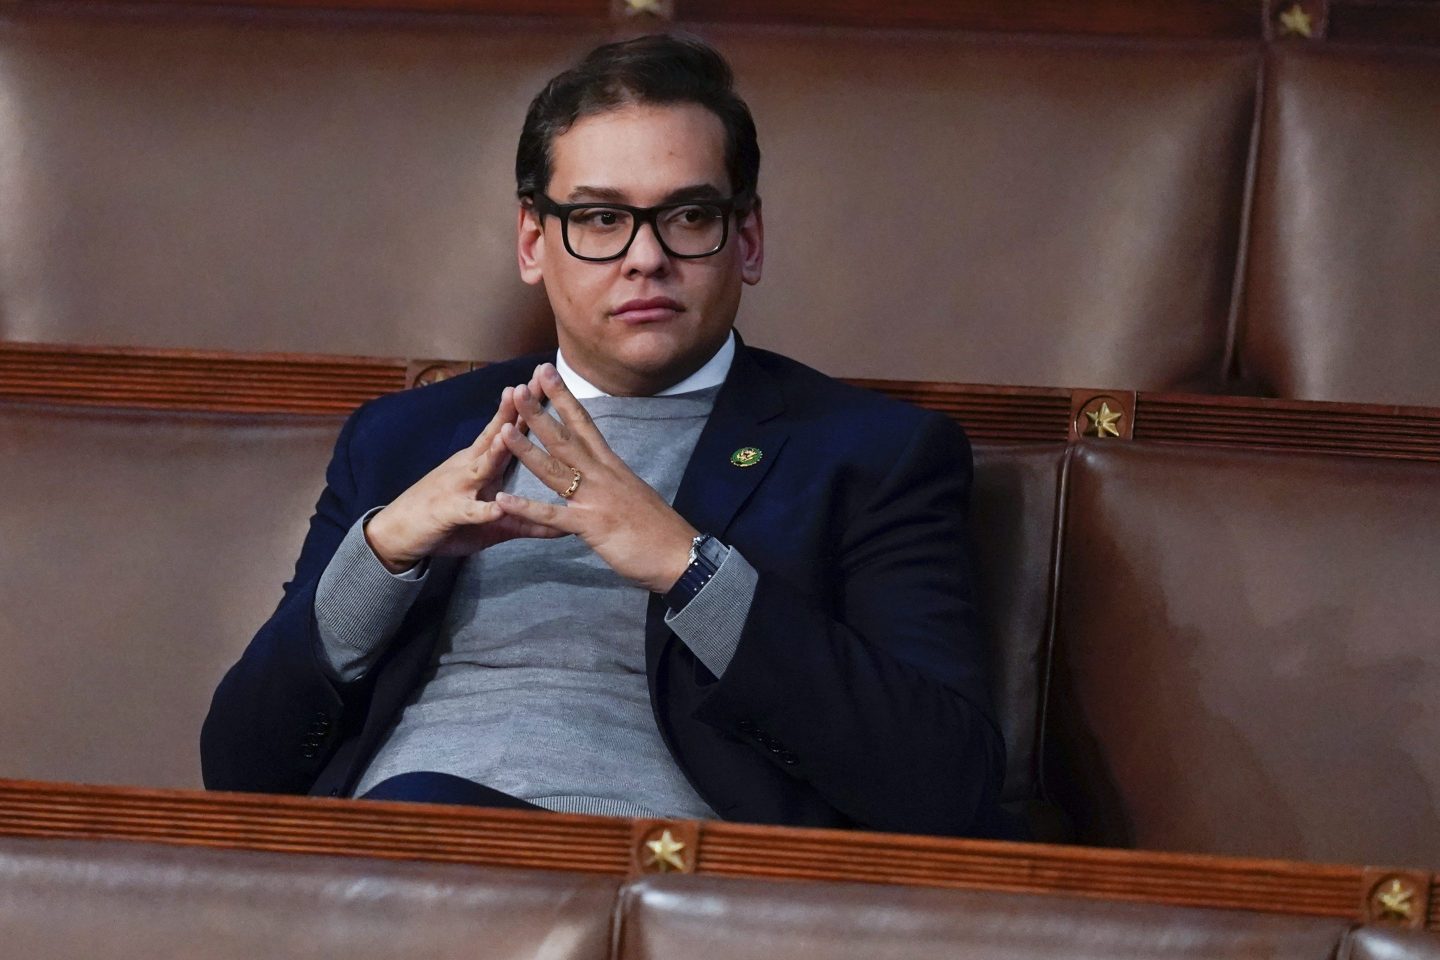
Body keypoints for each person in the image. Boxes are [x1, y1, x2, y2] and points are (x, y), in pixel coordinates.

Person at [201, 33, 1013, 839]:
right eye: (600, 218)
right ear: (533, 242)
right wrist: (379, 559)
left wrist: (690, 568)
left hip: (654, 871)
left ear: (748, 240)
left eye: (689, 216)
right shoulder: (404, 438)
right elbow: (240, 770)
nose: (646, 258)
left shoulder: (873, 454)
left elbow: (948, 785)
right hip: (380, 857)